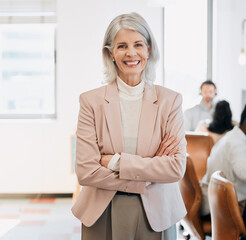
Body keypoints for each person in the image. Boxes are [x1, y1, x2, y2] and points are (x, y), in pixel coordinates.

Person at [72, 12, 187, 240]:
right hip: (103, 211)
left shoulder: (170, 101)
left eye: (138, 44)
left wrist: (116, 162)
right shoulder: (90, 101)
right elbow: (86, 171)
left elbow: (175, 168)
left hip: (158, 213)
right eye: (122, 46)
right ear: (110, 53)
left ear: (149, 49)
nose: (131, 53)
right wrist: (149, 172)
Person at [200, 102, 246, 216]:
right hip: (221, 208)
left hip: (217, 202)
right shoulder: (236, 143)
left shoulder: (233, 137)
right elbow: (243, 172)